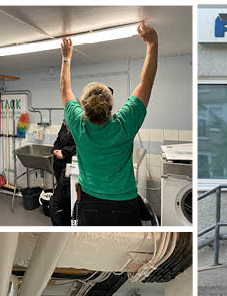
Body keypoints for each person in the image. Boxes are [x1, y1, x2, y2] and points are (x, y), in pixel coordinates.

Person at [59, 23, 158, 225]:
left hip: (90, 203)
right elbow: (146, 83)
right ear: (111, 105)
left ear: (83, 106)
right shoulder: (123, 125)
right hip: (124, 203)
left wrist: (66, 56)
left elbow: (64, 88)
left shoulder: (79, 125)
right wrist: (152, 44)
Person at [49, 122, 76, 224]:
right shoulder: (64, 125)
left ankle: (69, 219)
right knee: (61, 195)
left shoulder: (80, 124)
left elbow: (79, 145)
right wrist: (55, 150)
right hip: (58, 165)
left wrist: (64, 152)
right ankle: (64, 217)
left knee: (69, 196)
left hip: (70, 166)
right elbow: (58, 140)